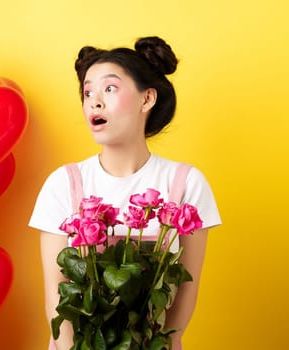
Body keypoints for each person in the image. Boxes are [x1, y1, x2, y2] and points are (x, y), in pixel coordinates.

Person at [28, 36, 221, 350]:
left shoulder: (185, 183)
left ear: (147, 99)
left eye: (110, 88)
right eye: (87, 92)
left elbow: (187, 288)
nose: (94, 101)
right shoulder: (63, 184)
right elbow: (56, 292)